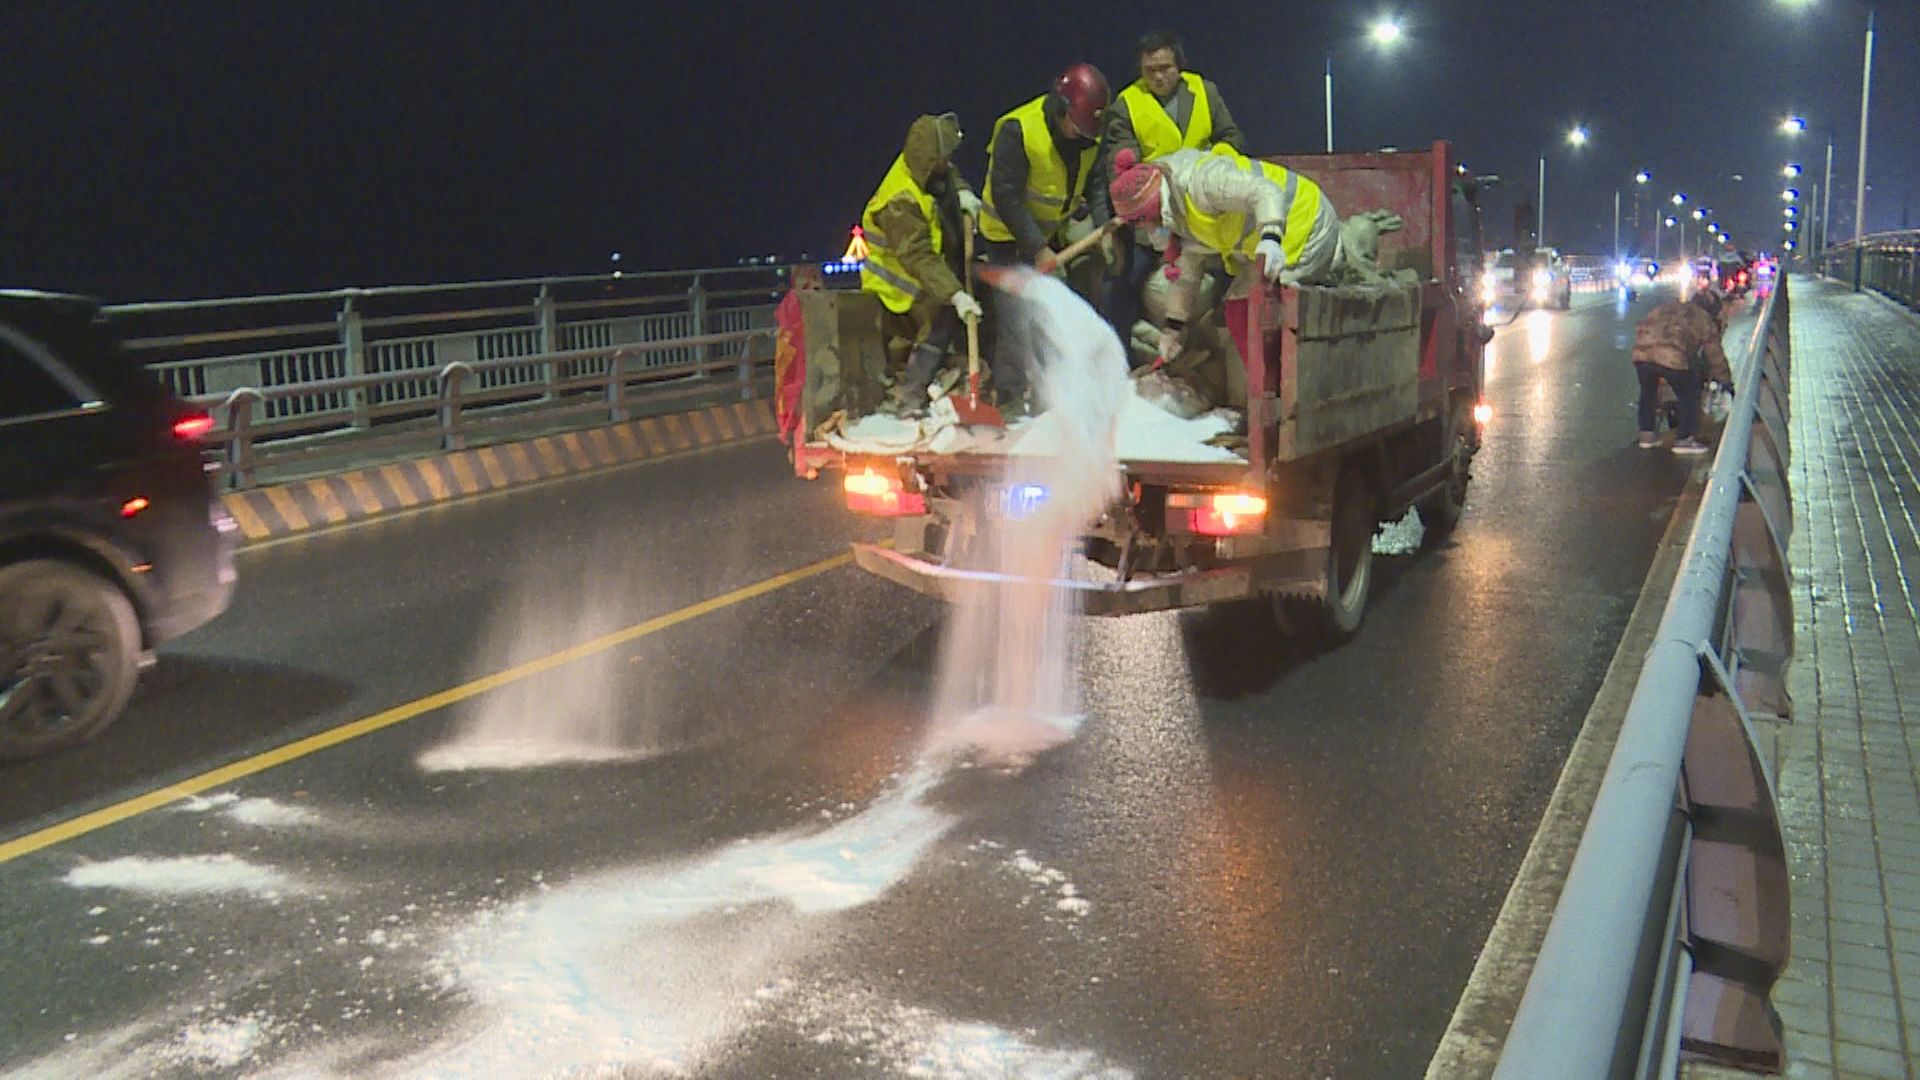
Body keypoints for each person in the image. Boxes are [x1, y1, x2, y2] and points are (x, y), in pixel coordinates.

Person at [1106, 144, 1341, 366]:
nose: (1150, 232)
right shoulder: (1180, 214)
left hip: (1306, 226)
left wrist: (1271, 237)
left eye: (1146, 224)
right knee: (1237, 310)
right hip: (1281, 236)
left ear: (1152, 209)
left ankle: (1276, 393)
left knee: (1250, 312)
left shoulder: (1204, 183)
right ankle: (1265, 387)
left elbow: (1265, 191)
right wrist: (1174, 327)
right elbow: (1188, 271)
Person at [1092, 31, 1245, 341]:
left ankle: (1220, 341)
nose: (1158, 77)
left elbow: (1232, 137)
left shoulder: (1205, 92)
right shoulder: (1126, 104)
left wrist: (1206, 164)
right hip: (1155, 216)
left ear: (1180, 65)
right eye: (1150, 71)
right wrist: (1140, 177)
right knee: (1122, 282)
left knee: (1235, 273)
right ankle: (1121, 356)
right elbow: (1118, 160)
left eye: (1165, 68)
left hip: (1204, 210)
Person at [859, 113, 986, 417]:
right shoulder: (900, 200)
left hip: (920, 271)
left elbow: (949, 173)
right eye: (943, 158)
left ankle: (949, 381)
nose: (947, 163)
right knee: (940, 317)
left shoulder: (926, 171)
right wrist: (955, 295)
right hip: (896, 282)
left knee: (960, 307)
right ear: (929, 159)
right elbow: (918, 256)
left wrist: (965, 192)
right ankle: (910, 397)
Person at [979, 63, 1112, 287]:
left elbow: (1096, 185)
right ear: (1062, 108)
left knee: (1091, 271)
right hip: (1007, 237)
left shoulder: (1089, 134)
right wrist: (1038, 249)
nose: (1082, 136)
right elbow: (1007, 198)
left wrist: (1104, 228)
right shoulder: (1019, 131)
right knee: (1025, 304)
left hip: (1052, 230)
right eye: (1078, 128)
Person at [1631, 284, 1732, 454]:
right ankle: (1684, 439)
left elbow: (1644, 325)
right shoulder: (1704, 318)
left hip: (1642, 353)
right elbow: (1715, 356)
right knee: (1689, 394)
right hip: (1671, 356)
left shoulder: (1667, 307)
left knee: (1648, 393)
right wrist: (1726, 381)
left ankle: (1647, 436)